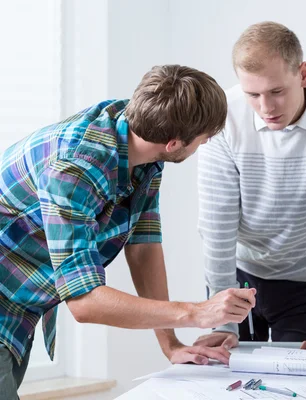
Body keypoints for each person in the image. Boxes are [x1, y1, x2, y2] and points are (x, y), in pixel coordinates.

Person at [0, 65, 256, 399]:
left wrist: (171, 344)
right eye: (204, 138)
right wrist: (197, 312)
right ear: (174, 142)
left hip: (20, 308)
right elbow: (85, 301)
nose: (205, 142)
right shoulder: (75, 169)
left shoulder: (141, 130)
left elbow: (143, 246)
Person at [194, 21, 306, 350]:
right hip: (239, 278)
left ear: (303, 74)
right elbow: (216, 224)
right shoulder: (223, 118)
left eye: (277, 92)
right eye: (253, 94)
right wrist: (223, 320)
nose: (266, 107)